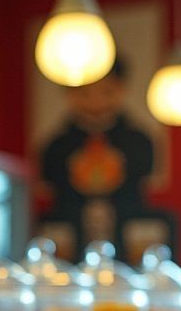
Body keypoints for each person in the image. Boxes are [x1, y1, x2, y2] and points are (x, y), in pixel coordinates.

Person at [38, 57, 155, 261]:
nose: (96, 101)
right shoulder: (56, 146)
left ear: (121, 90)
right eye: (84, 93)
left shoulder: (140, 142)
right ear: (69, 95)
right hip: (70, 249)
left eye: (106, 92)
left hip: (127, 247)